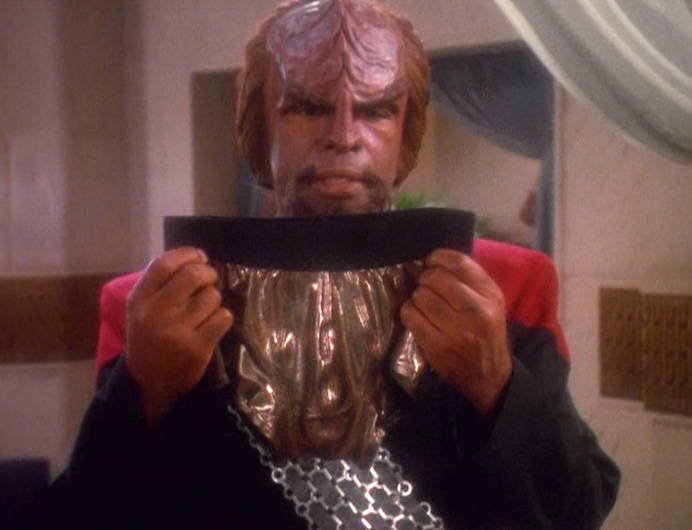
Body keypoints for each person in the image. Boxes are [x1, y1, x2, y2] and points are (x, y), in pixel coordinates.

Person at [37, 1, 620, 529]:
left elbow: (575, 511)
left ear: (406, 132)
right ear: (258, 128)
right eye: (308, 107)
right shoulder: (155, 308)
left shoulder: (505, 290)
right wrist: (140, 393)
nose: (344, 136)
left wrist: (498, 385)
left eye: (376, 109)